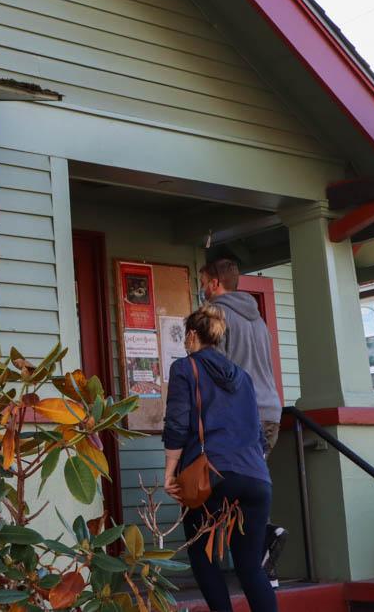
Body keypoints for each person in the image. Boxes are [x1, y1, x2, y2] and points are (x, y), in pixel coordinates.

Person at [162, 305, 278, 612]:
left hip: (211, 474)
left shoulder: (184, 368)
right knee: (250, 567)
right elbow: (257, 431)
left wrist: (170, 472)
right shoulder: (244, 377)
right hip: (256, 476)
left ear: (192, 335)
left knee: (204, 559)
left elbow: (176, 423)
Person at [199, 258, 288, 585]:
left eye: (203, 281)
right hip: (269, 415)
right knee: (247, 488)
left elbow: (211, 369)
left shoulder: (215, 316)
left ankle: (262, 543)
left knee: (227, 488)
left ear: (214, 283)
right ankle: (264, 559)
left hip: (240, 417)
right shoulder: (258, 320)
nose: (202, 289)